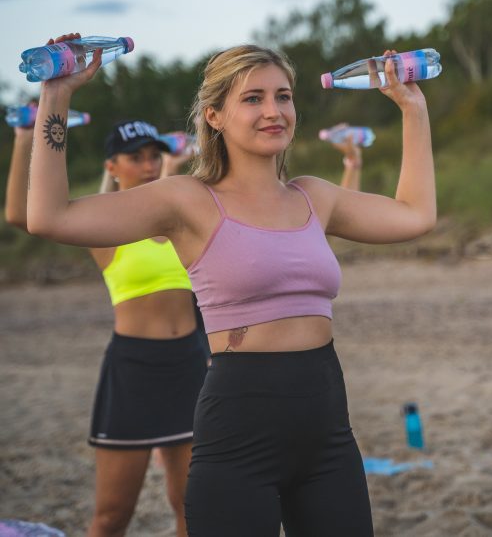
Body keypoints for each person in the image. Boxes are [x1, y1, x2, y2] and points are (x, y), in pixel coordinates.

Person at [26, 33, 436, 537]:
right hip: (238, 437)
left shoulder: (314, 197)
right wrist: (56, 95)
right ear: (215, 116)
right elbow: (48, 217)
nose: (274, 111)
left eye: (283, 96)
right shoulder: (187, 200)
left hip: (328, 436)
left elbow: (415, 215)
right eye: (253, 98)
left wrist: (412, 108)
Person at [6, 113, 208, 537]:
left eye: (154, 155)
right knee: (113, 515)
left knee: (194, 506)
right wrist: (25, 138)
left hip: (190, 365)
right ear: (112, 166)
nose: (148, 164)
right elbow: (22, 214)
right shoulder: (107, 225)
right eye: (136, 157)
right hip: (134, 370)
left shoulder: (181, 216)